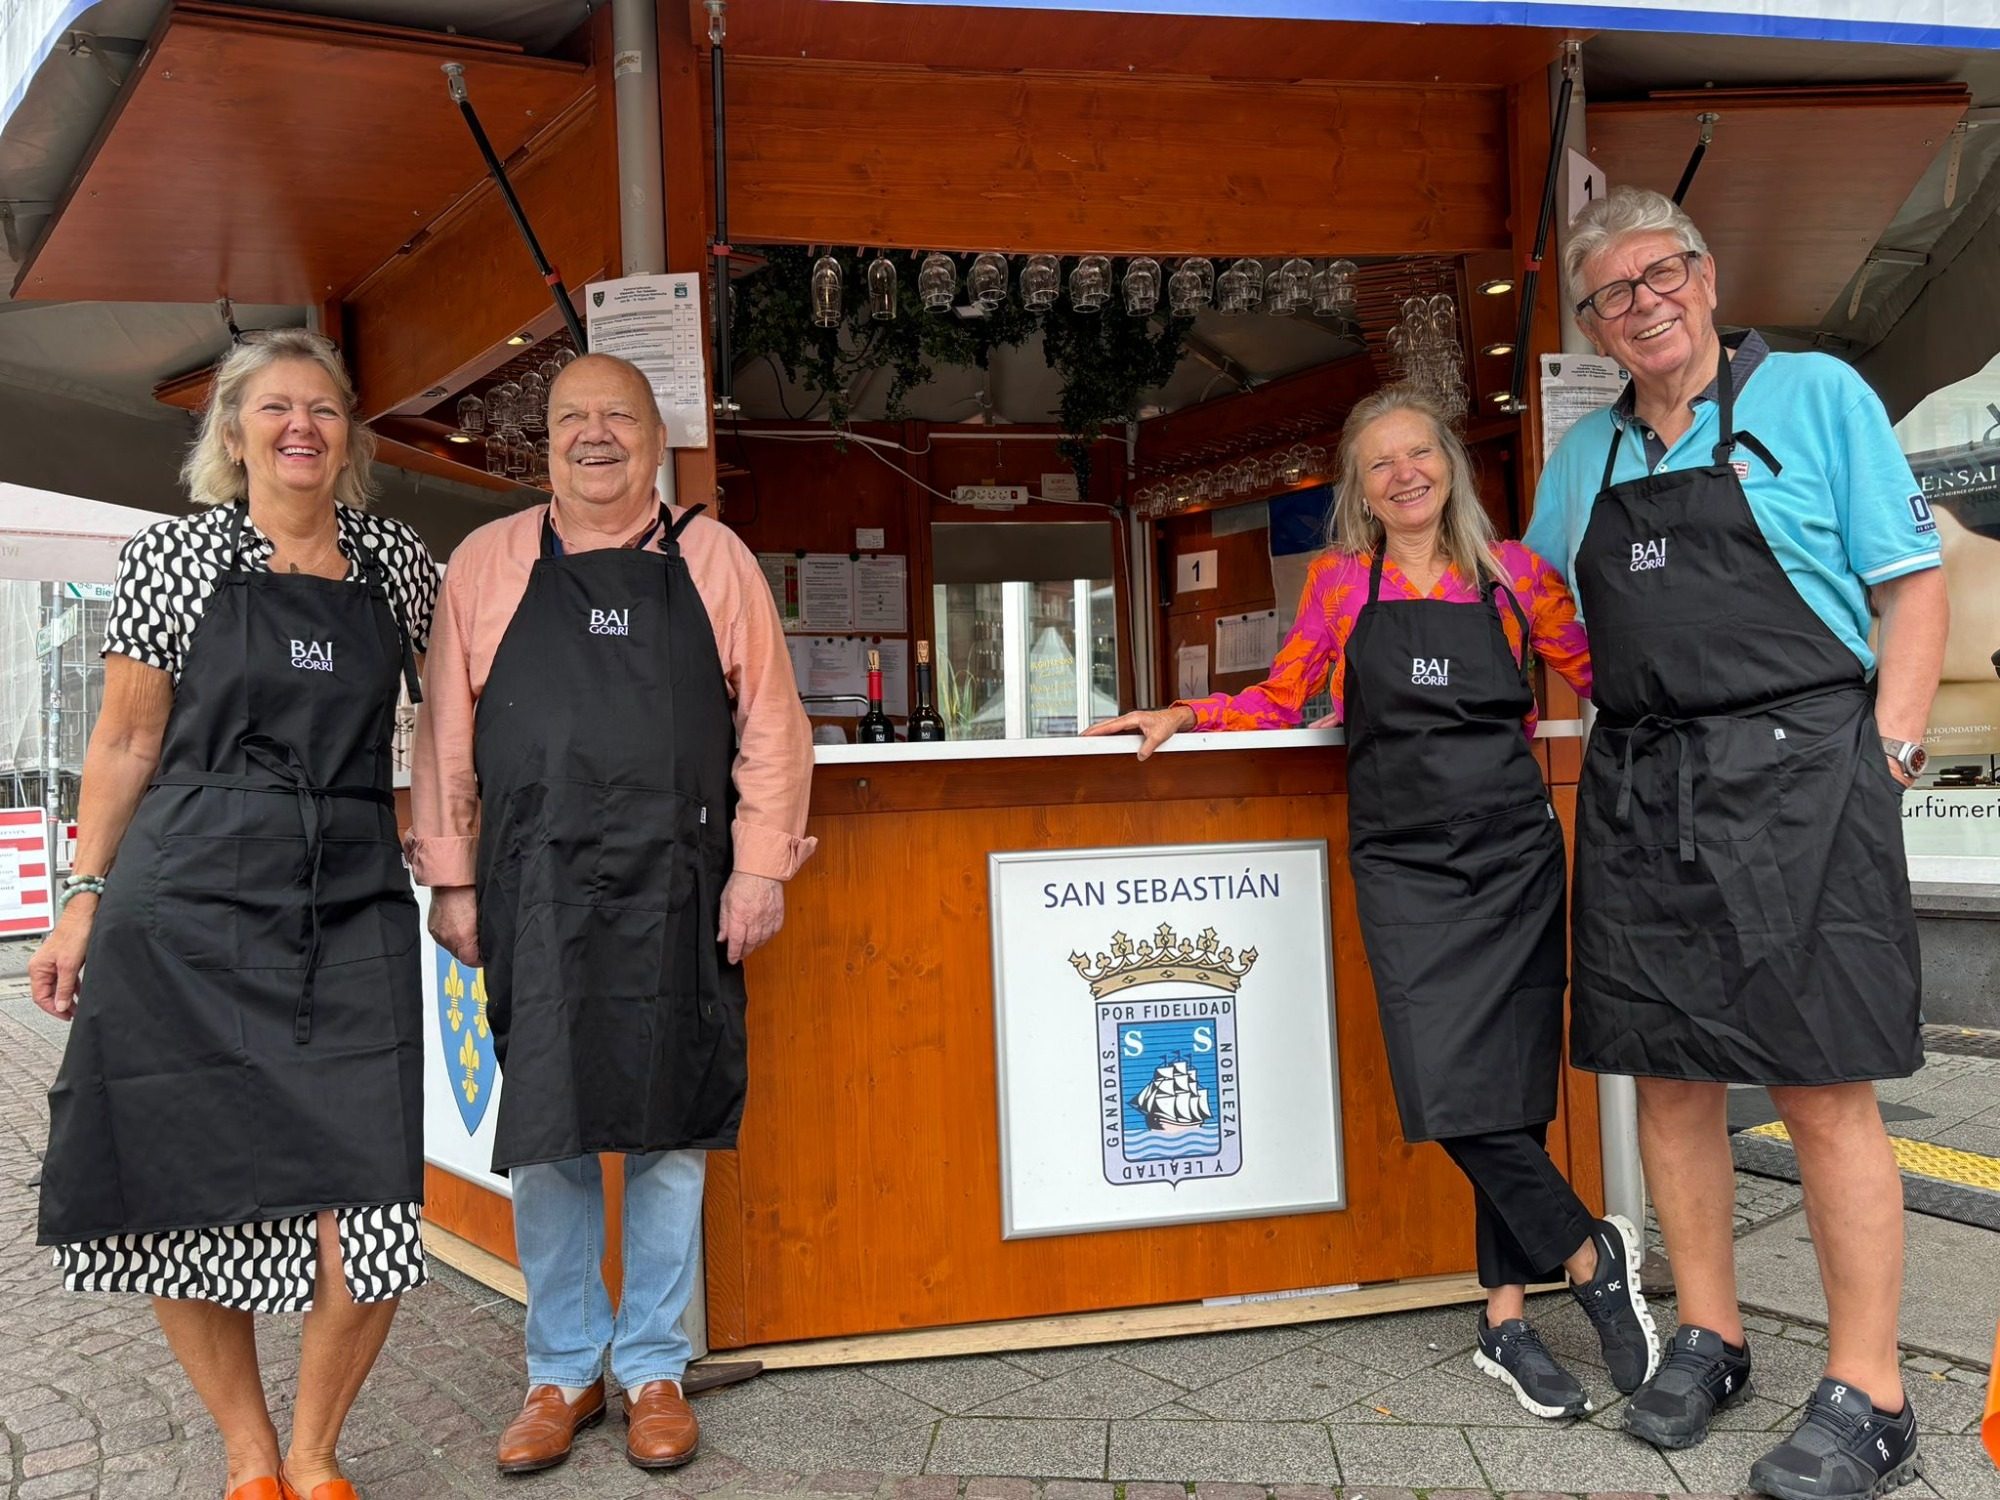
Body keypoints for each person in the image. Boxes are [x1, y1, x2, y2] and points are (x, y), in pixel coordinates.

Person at [1088, 384, 1657, 1419]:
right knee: (1443, 1085)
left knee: (1511, 1094)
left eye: (1417, 454)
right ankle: (1587, 1253)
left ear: (1448, 465)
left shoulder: (1514, 576)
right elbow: (1281, 697)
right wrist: (1182, 711)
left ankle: (1503, 1323)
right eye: (1379, 463)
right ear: (1359, 488)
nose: (1404, 474)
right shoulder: (1342, 586)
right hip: (1403, 866)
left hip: (1512, 860)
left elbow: (1599, 674)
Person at [1527, 185, 1947, 1500]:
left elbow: (1911, 584)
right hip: (1647, 786)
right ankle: (1710, 1334)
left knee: (1824, 1089)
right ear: (1594, 326)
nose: (1644, 306)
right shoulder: (1582, 459)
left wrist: (1886, 755)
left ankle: (1872, 1393)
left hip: (1805, 781)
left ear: (1705, 279)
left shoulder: (1819, 398)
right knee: (1668, 1078)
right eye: (1613, 295)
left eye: (1663, 278)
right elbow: (1530, 610)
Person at [31, 329, 439, 1500]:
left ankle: (318, 1450)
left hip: (349, 892)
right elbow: (122, 739)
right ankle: (254, 1458)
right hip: (188, 896)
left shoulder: (396, 563)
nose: (300, 425)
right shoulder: (175, 558)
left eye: (322, 407)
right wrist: (81, 898)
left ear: (348, 434)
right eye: (274, 407)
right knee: (184, 1178)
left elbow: (446, 711)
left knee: (368, 1193)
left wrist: (441, 829)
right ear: (233, 432)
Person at [409, 353, 814, 1475]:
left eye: (617, 417)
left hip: (681, 878)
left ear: (656, 438)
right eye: (572, 418)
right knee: (549, 1133)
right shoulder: (487, 562)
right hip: (530, 882)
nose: (595, 435)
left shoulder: (713, 555)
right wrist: (451, 876)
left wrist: (761, 866)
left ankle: (651, 1367)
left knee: (668, 1122)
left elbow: (772, 726)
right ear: (544, 442)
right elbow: (444, 735)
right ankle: (560, 1368)